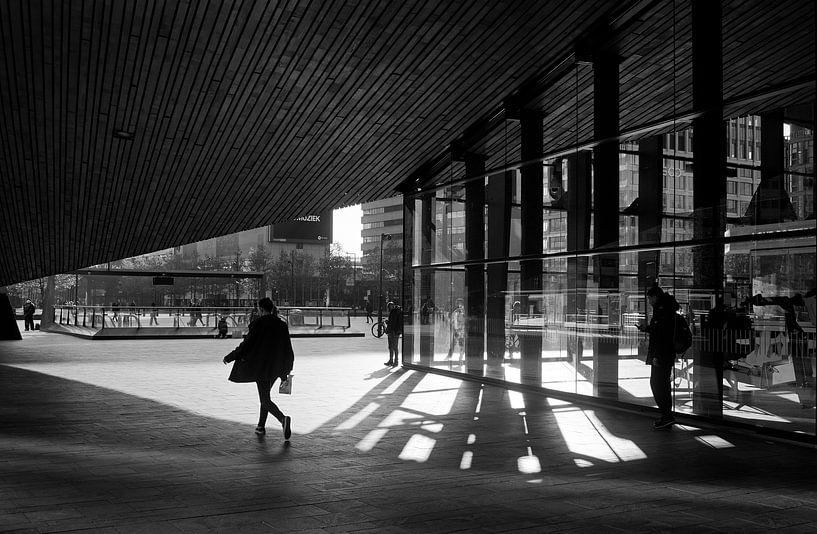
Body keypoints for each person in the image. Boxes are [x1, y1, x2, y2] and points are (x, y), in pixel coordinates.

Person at [223, 297, 294, 439]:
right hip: (276, 367)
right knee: (265, 397)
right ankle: (261, 427)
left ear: (261, 309)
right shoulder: (281, 325)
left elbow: (246, 345)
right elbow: (288, 348)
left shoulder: (258, 324)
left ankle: (282, 419)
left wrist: (230, 357)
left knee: (265, 399)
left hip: (261, 366)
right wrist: (286, 370)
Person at [637, 285, 681, 430]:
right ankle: (666, 416)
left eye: (649, 298)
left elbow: (662, 337)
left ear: (655, 297)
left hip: (662, 354)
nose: (649, 302)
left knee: (657, 384)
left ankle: (667, 416)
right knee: (662, 384)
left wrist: (657, 356)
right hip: (665, 354)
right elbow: (659, 331)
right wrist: (647, 328)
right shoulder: (666, 309)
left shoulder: (663, 311)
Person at [384, 300, 402, 367]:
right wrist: (388, 322)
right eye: (388, 307)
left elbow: (395, 323)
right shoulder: (394, 312)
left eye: (389, 306)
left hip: (394, 332)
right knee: (391, 346)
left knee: (394, 347)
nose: (389, 308)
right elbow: (392, 322)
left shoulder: (395, 312)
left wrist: (389, 324)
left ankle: (396, 361)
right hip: (392, 331)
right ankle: (391, 360)